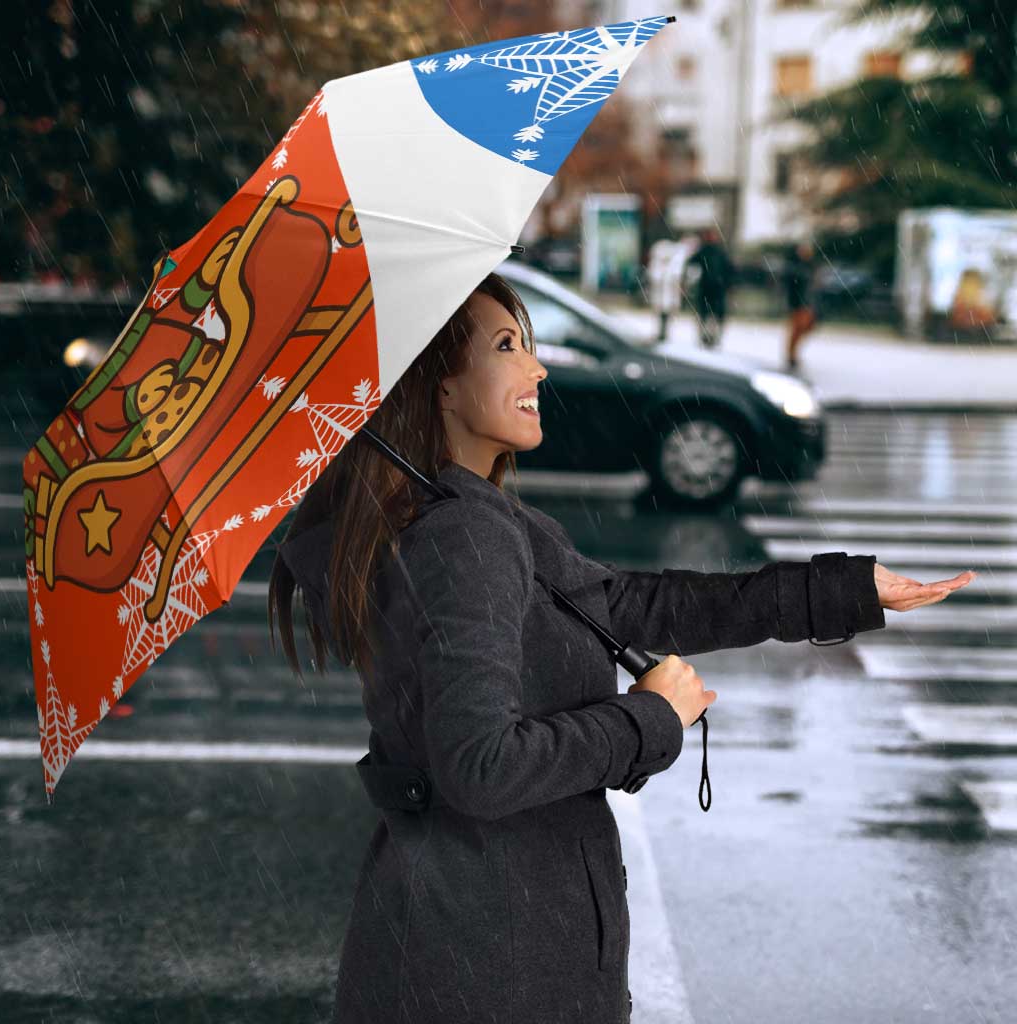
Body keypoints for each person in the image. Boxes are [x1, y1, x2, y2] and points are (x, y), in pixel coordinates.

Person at [269, 271, 971, 1024]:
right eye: (507, 346)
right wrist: (648, 719)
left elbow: (632, 605)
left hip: (471, 942)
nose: (537, 368)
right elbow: (480, 767)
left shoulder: (468, 517)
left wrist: (842, 591)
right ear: (438, 386)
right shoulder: (462, 536)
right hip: (491, 962)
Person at [685, 226, 735, 349]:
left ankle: (712, 337)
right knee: (706, 314)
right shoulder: (705, 251)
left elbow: (729, 270)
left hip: (716, 288)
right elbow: (691, 264)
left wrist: (728, 284)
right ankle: (706, 337)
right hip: (708, 288)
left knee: (713, 315)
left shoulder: (718, 252)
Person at [783, 239, 819, 370]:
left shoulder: (810, 266)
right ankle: (791, 355)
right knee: (797, 329)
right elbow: (792, 286)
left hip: (807, 303)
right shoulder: (795, 267)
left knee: (805, 328)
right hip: (798, 303)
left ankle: (792, 354)